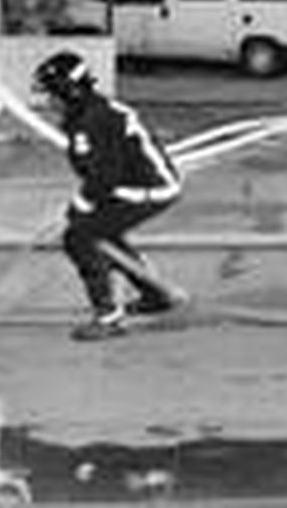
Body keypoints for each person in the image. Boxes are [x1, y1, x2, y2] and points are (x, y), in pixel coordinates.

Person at [31, 50, 186, 341]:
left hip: (148, 188)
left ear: (69, 91)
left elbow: (104, 178)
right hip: (133, 184)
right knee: (102, 232)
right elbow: (99, 177)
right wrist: (78, 211)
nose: (48, 102)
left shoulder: (93, 120)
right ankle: (155, 295)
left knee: (80, 237)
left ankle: (108, 316)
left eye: (52, 94)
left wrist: (72, 215)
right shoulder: (89, 113)